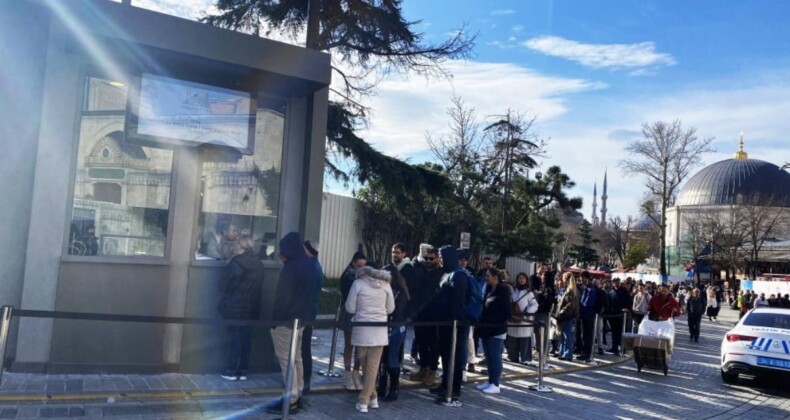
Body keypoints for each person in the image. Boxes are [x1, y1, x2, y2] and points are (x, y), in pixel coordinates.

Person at [267, 232, 318, 414]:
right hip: (301, 321)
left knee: (285, 361)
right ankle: (298, 395)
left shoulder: (290, 268)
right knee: (297, 358)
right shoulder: (310, 265)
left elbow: (282, 299)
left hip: (285, 322)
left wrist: (274, 322)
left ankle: (291, 400)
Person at [345, 266, 395, 413]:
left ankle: (363, 400)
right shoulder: (386, 284)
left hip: (362, 329)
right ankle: (373, 397)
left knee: (366, 365)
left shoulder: (358, 283)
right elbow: (391, 308)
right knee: (372, 366)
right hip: (379, 329)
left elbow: (350, 308)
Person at [218, 235, 263, 381]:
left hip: (235, 306)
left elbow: (223, 286)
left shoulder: (235, 263)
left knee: (233, 340)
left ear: (239, 246)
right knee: (246, 340)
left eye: (235, 244)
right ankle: (243, 371)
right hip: (252, 307)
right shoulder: (258, 263)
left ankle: (231, 370)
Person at [430, 245, 469, 405]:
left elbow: (458, 302)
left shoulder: (459, 275)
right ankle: (445, 384)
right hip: (444, 323)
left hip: (454, 325)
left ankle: (453, 388)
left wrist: (454, 320)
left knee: (454, 356)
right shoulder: (447, 273)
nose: (439, 259)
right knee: (445, 356)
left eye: (441, 256)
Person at [408, 245, 443, 387]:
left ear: (436, 258)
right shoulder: (419, 269)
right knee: (421, 341)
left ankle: (432, 370)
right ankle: (423, 367)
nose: (428, 261)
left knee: (433, 343)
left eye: (431, 258)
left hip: (434, 314)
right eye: (426, 258)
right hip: (420, 312)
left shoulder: (440, 272)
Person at [476, 267, 512, 394]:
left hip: (497, 329)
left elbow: (507, 311)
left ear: (495, 277)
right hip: (486, 329)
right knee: (489, 356)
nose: (486, 278)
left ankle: (495, 383)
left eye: (488, 276)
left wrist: (494, 321)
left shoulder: (503, 291)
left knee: (495, 356)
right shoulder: (489, 290)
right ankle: (490, 380)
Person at [377, 264, 410, 402]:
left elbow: (397, 312)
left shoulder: (399, 292)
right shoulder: (396, 290)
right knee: (383, 357)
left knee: (391, 357)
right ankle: (383, 385)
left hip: (395, 327)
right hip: (390, 326)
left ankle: (393, 388)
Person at [339, 251, 367, 390]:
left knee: (360, 345)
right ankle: (348, 374)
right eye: (359, 265)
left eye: (364, 265)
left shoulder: (365, 277)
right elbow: (347, 298)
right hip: (350, 312)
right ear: (353, 263)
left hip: (362, 312)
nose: (361, 268)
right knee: (349, 345)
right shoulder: (348, 276)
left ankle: (356, 373)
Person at [301, 240, 324, 394]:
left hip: (305, 314)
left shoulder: (310, 268)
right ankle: (305, 380)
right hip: (310, 312)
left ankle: (305, 381)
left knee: (304, 348)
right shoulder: (316, 266)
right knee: (304, 347)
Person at [507, 273, 538, 365]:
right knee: (512, 338)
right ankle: (513, 357)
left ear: (526, 280)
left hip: (524, 320)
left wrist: (528, 312)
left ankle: (525, 358)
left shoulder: (529, 292)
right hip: (513, 319)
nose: (521, 280)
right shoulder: (513, 291)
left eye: (523, 278)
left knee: (524, 339)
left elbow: (535, 304)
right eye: (520, 278)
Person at [556, 272, 579, 361]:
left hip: (567, 316)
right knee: (564, 335)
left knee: (567, 336)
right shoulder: (570, 289)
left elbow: (570, 304)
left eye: (563, 278)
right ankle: (563, 352)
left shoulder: (570, 290)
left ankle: (567, 354)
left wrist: (561, 312)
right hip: (567, 316)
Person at [577, 271, 597, 362]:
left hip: (588, 315)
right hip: (583, 315)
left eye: (583, 278)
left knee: (587, 335)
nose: (581, 279)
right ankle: (584, 352)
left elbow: (588, 303)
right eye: (581, 278)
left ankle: (587, 354)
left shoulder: (590, 289)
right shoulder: (583, 288)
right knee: (583, 335)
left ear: (587, 278)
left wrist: (580, 308)